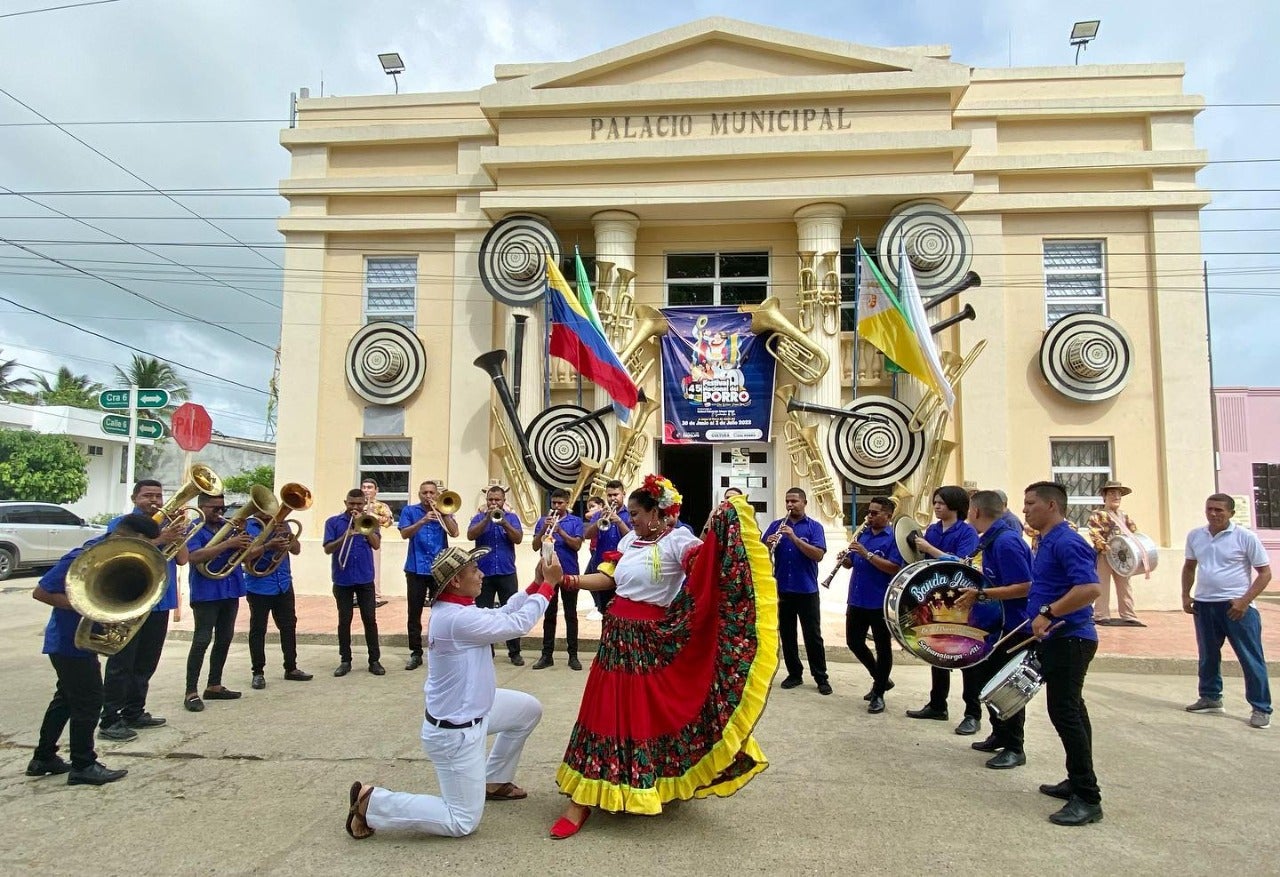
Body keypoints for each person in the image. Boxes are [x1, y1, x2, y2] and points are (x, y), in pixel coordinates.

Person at [541, 475, 777, 839]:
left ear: (656, 512)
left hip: (651, 642)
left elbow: (710, 566)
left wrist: (724, 516)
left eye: (635, 512)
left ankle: (647, 784)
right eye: (630, 513)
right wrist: (565, 580)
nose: (629, 517)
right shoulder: (627, 540)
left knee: (645, 715)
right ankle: (581, 799)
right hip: (616, 637)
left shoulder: (678, 541)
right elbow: (608, 580)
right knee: (601, 710)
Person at [343, 546, 553, 840]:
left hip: (476, 712)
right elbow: (516, 624)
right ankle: (372, 803)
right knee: (462, 821)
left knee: (528, 709)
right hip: (456, 733)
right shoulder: (456, 619)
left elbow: (503, 613)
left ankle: (494, 780)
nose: (482, 574)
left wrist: (534, 586)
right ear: (455, 580)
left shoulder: (460, 609)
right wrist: (548, 587)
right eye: (474, 571)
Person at [28, 514, 160, 786]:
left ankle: (43, 758)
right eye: (144, 544)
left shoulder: (110, 552)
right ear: (128, 536)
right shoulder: (83, 557)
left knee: (65, 698)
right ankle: (83, 765)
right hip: (68, 643)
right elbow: (41, 592)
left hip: (77, 644)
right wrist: (90, 608)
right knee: (89, 702)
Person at [1023, 481, 1104, 826]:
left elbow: (1090, 588)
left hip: (1071, 638)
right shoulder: (1047, 541)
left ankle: (1088, 797)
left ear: (1052, 506)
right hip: (1059, 639)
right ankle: (1076, 780)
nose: (1025, 509)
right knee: (1071, 711)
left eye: (1030, 503)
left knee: (1065, 712)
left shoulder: (1068, 541)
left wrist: (1050, 612)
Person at [97, 480, 187, 742]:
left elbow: (183, 559)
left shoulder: (167, 523)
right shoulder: (123, 524)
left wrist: (177, 534)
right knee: (122, 663)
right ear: (135, 497)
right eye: (148, 495)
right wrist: (161, 539)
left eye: (158, 495)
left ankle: (134, 711)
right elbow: (124, 550)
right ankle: (110, 719)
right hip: (132, 600)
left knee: (147, 661)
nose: (154, 500)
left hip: (160, 600)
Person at [1181, 493, 1272, 729]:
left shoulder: (1245, 537)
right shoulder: (1195, 536)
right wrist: (1185, 595)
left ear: (1231, 513)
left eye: (1219, 510)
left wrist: (1244, 601)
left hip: (1236, 607)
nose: (1214, 514)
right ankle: (1211, 697)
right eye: (1210, 509)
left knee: (1250, 658)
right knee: (1208, 655)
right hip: (1204, 604)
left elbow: (1265, 573)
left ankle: (1261, 707)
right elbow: (1189, 567)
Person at [958, 490, 1034, 769]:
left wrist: (981, 595)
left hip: (1015, 626)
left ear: (976, 512)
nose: (968, 516)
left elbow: (1025, 585)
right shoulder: (991, 541)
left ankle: (1015, 746)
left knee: (1006, 686)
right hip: (998, 625)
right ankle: (999, 735)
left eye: (969, 511)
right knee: (988, 682)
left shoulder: (1006, 542)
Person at [907, 486, 982, 733]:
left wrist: (930, 549)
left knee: (966, 655)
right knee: (937, 650)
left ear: (954, 505)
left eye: (941, 503)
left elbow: (963, 563)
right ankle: (938, 704)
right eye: (935, 502)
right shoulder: (933, 529)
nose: (936, 506)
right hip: (936, 597)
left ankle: (972, 713)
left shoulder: (967, 532)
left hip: (961, 599)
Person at [184, 493, 251, 713]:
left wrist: (242, 538)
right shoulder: (194, 528)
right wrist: (229, 543)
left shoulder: (229, 527)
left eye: (222, 508)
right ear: (201, 507)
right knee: (202, 640)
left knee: (224, 639)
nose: (220, 512)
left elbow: (246, 554)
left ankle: (214, 685)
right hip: (206, 592)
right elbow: (193, 557)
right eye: (215, 508)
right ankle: (191, 692)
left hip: (230, 589)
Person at [763, 487, 831, 695]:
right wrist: (767, 544)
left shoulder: (814, 527)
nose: (790, 505)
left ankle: (821, 677)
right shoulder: (776, 526)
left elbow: (818, 554)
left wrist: (794, 538)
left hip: (807, 589)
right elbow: (761, 553)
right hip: (782, 589)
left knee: (813, 636)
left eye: (794, 501)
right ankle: (794, 673)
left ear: (804, 503)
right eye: (787, 501)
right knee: (787, 634)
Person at [842, 496, 903, 714]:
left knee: (883, 648)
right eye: (869, 512)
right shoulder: (863, 534)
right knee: (854, 642)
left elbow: (894, 567)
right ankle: (881, 678)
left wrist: (866, 554)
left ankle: (878, 693)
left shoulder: (893, 538)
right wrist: (846, 559)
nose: (869, 516)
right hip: (857, 598)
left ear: (888, 515)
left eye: (875, 513)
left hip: (880, 601)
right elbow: (852, 563)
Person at [243, 506, 312, 690]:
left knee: (289, 626)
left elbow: (296, 550)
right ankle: (258, 672)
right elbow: (244, 556)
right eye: (264, 508)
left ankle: (291, 667)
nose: (269, 513)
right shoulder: (248, 526)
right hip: (259, 585)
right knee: (258, 629)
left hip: (283, 583)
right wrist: (268, 545)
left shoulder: (283, 525)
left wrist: (288, 536)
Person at [324, 489, 384, 677]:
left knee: (370, 620)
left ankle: (374, 660)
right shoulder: (333, 522)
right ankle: (345, 660)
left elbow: (376, 544)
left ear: (364, 504)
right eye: (352, 504)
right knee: (344, 620)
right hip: (343, 578)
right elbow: (327, 548)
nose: (355, 507)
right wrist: (346, 536)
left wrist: (363, 528)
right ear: (346, 502)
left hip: (365, 578)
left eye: (359, 504)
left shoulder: (370, 521)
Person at [400, 480, 458, 671]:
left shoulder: (444, 510)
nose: (429, 496)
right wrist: (423, 520)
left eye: (432, 493)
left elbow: (455, 533)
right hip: (416, 568)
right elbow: (405, 534)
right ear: (419, 494)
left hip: (439, 569)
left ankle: (441, 649)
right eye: (425, 492)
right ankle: (416, 653)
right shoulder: (410, 511)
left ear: (436, 494)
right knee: (414, 613)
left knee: (442, 611)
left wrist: (445, 514)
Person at [467, 484, 525, 666]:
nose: (493, 503)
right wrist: (486, 519)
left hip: (506, 571)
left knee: (511, 612)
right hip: (483, 573)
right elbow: (470, 535)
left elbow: (518, 538)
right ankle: (487, 651)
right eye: (490, 500)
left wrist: (504, 523)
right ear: (486, 501)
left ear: (503, 501)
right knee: (484, 613)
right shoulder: (478, 517)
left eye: (497, 500)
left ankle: (514, 652)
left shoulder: (512, 518)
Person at [531, 488, 584, 670]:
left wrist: (560, 531)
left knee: (571, 615)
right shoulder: (542, 521)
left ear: (567, 503)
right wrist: (544, 529)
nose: (556, 506)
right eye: (554, 503)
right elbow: (534, 546)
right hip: (548, 574)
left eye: (560, 503)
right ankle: (547, 655)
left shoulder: (575, 521)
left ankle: (573, 656)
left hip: (569, 573)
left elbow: (577, 545)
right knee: (549, 615)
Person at [1086, 480, 1145, 627]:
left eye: (1119, 494)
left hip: (1123, 556)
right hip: (1104, 554)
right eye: (1112, 493)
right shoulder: (1098, 515)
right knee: (1102, 584)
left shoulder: (1124, 516)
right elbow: (1094, 533)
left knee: (1125, 585)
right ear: (1105, 496)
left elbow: (1134, 533)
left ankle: (1128, 614)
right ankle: (1101, 614)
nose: (1116, 496)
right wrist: (1104, 546)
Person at [583, 479, 632, 620]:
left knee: (622, 612)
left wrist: (619, 521)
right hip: (603, 567)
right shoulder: (599, 515)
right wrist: (601, 520)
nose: (613, 498)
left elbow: (633, 539)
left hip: (623, 568)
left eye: (616, 494)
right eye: (609, 495)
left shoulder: (630, 515)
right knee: (605, 611)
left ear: (623, 494)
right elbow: (587, 535)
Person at [361, 478, 394, 608]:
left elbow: (388, 521)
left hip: (373, 538)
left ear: (376, 490)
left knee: (374, 567)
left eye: (369, 487)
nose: (366, 490)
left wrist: (371, 515)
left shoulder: (381, 506)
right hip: (357, 539)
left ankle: (375, 597)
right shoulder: (357, 504)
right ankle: (357, 596)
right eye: (364, 487)